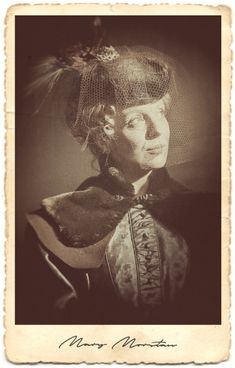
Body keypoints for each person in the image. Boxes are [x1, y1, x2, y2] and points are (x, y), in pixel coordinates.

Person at [16, 45, 221, 324]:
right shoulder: (52, 227)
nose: (157, 130)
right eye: (137, 120)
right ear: (104, 131)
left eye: (160, 112)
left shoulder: (211, 213)